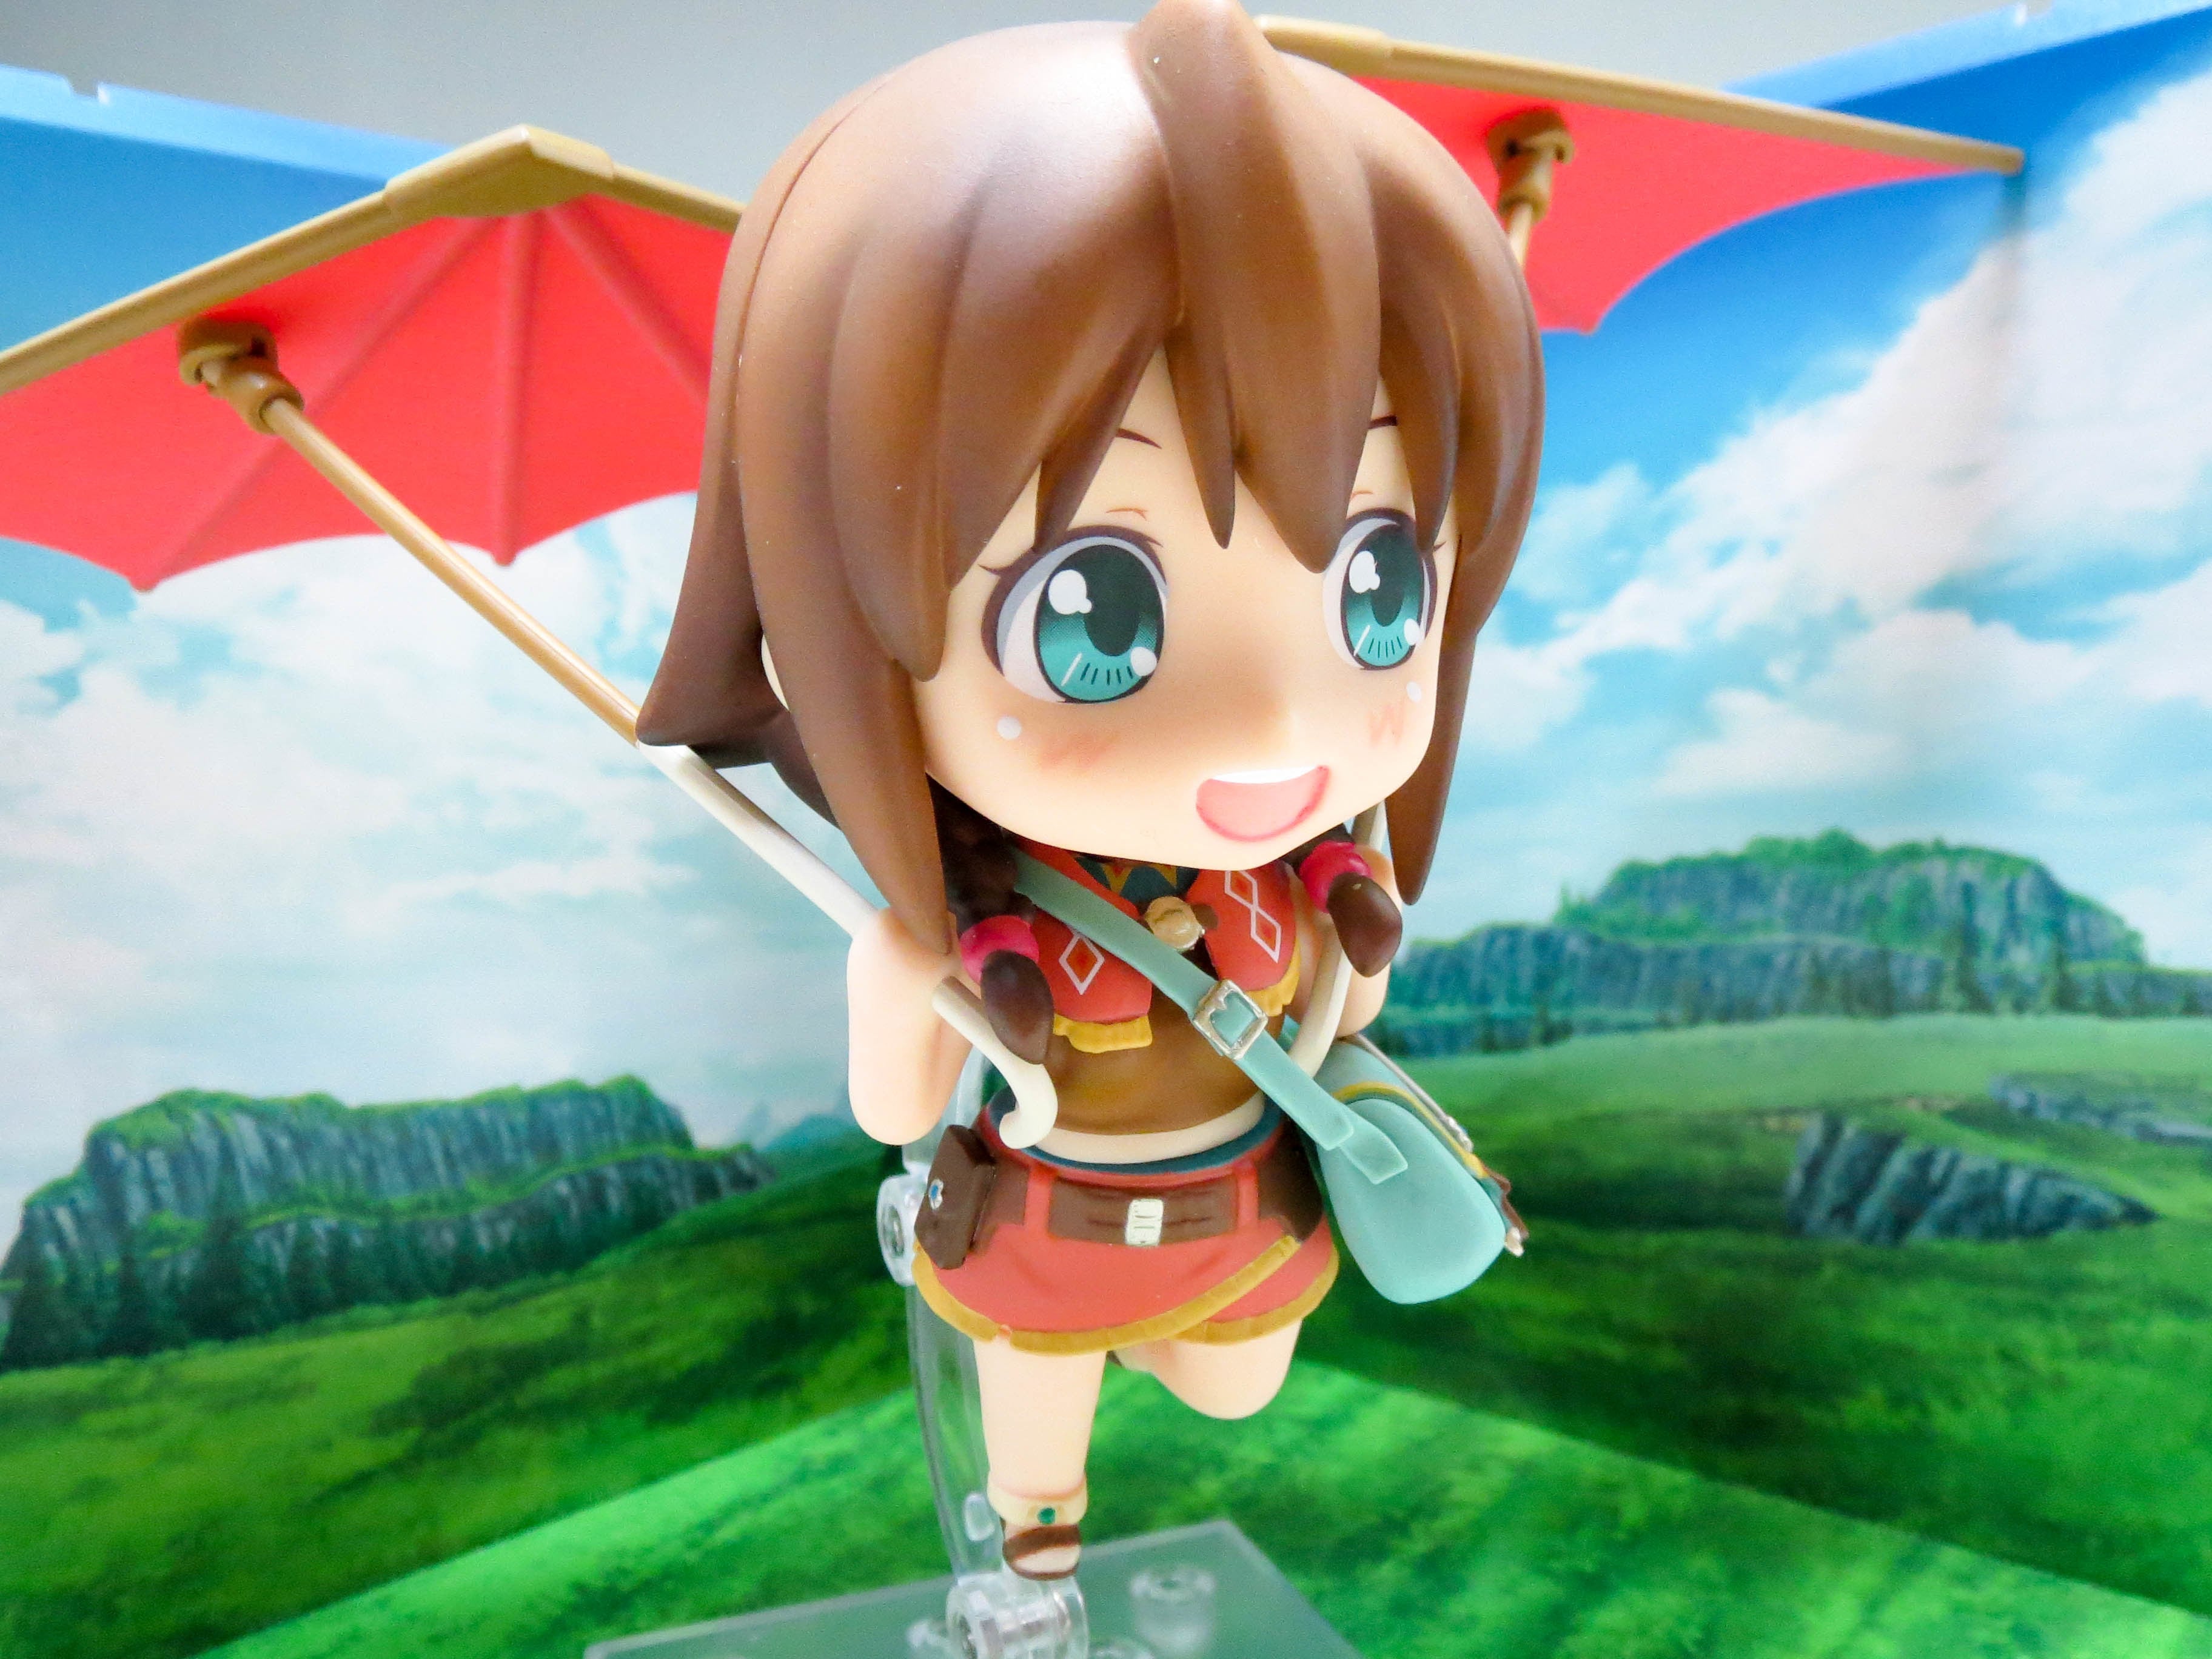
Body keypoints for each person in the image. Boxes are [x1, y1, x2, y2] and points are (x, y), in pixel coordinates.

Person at [639, 0, 1541, 1580]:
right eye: (1093, 614)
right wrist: (895, 977)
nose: (1273, 724)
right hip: (1051, 1224)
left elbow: (1341, 1013)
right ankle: (1036, 1576)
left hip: (1246, 1204)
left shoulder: (1299, 871)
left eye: (1379, 587)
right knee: (1039, 1446)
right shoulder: (996, 915)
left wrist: (1352, 924)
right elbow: (893, 1112)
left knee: (1238, 1387)